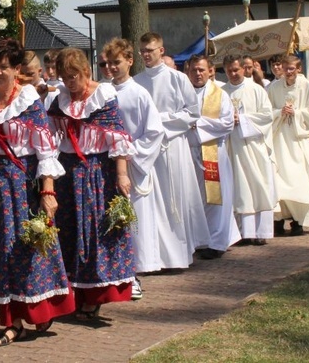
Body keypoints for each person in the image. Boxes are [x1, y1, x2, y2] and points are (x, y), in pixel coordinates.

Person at [0, 38, 75, 346]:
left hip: (20, 184)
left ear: (17, 69)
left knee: (24, 250)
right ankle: (12, 321)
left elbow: (45, 150)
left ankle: (35, 309)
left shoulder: (29, 102)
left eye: (3, 67)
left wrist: (48, 191)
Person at [48, 47, 135, 320]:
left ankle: (94, 297)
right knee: (70, 232)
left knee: (96, 232)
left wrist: (121, 174)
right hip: (68, 172)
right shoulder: (59, 100)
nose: (70, 82)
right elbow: (50, 139)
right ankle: (73, 294)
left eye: (74, 76)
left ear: (86, 72)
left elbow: (118, 138)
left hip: (97, 172)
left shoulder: (103, 97)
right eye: (65, 77)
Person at [133, 32, 211, 268]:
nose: (147, 55)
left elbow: (192, 113)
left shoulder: (177, 79)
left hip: (172, 145)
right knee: (152, 203)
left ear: (161, 51)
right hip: (147, 149)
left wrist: (161, 122)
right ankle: (154, 257)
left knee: (175, 199)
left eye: (151, 50)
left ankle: (178, 254)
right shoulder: (136, 81)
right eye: (143, 51)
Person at [102, 38, 165, 298]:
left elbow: (154, 131)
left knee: (131, 220)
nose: (112, 68)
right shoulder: (103, 91)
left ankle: (134, 275)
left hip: (133, 165)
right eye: (108, 64)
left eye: (117, 62)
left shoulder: (139, 93)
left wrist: (129, 152)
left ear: (130, 60)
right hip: (106, 164)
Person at [267, 55, 309, 236]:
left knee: (300, 181)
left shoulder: (307, 87)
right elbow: (265, 112)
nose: (288, 72)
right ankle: (278, 220)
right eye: (285, 68)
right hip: (280, 140)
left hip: (300, 140)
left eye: (292, 69)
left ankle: (298, 221)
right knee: (279, 180)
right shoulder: (273, 87)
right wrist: (279, 112)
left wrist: (297, 113)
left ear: (299, 69)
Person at [186, 55, 240, 258]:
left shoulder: (220, 94)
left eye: (201, 70)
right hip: (189, 153)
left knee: (216, 200)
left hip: (213, 152)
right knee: (195, 199)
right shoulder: (184, 92)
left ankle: (217, 243)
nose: (197, 74)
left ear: (210, 71)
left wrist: (196, 123)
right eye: (193, 70)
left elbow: (226, 123)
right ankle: (200, 240)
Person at [221, 55, 277, 245]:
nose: (233, 74)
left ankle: (261, 233)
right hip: (230, 148)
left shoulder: (256, 90)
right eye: (229, 71)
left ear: (244, 69)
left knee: (257, 187)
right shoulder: (221, 92)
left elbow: (267, 116)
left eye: (236, 70)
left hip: (253, 147)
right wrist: (228, 121)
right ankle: (242, 233)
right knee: (238, 190)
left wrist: (242, 119)